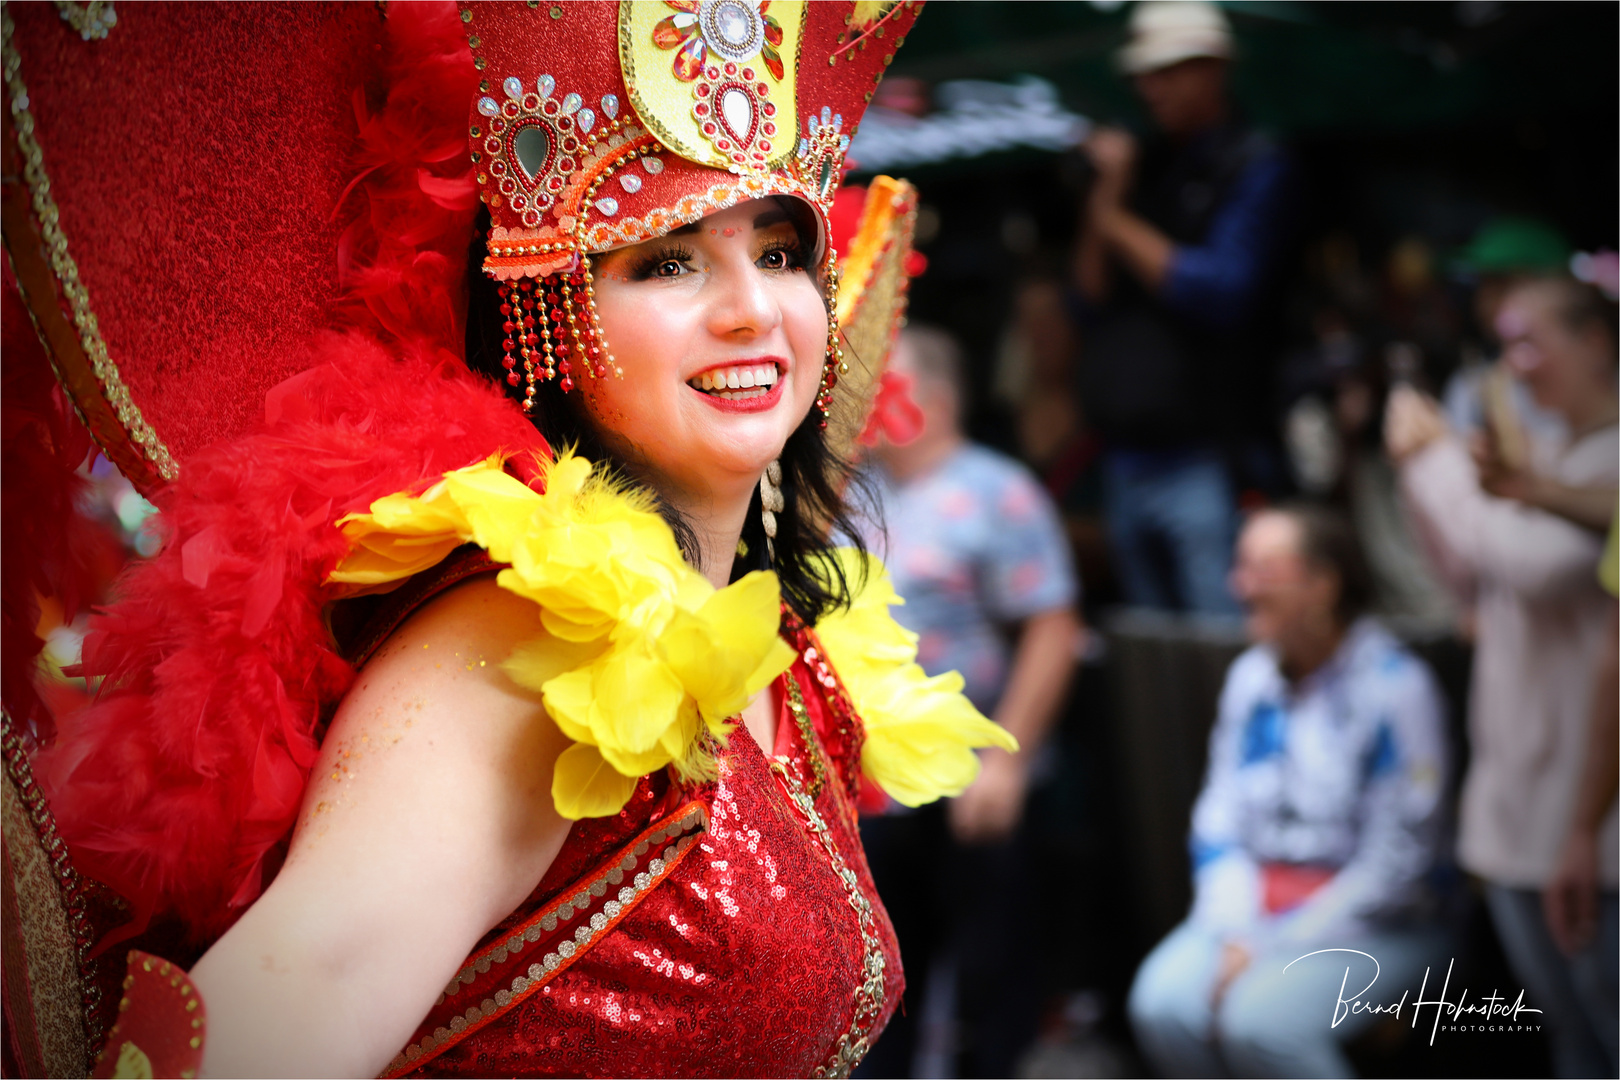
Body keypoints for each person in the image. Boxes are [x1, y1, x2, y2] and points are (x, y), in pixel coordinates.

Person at [6, 3, 1029, 1077]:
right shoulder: (517, 659)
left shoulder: (792, 657)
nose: (750, 312)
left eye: (779, 251)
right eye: (667, 262)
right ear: (546, 304)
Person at [1387, 276, 1619, 1078]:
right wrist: (1436, 474)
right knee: (1570, 1040)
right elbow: (1468, 579)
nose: (1513, 367)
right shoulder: (1537, 466)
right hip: (1520, 810)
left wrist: (1435, 463)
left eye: (1529, 342)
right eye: (1502, 348)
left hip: (1596, 820)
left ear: (1596, 341)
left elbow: (1524, 561)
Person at [1128, 505, 1449, 1078]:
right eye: (1240, 566)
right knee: (1162, 1007)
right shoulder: (1250, 680)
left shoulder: (1397, 690)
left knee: (1262, 1026)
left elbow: (1398, 867)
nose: (1239, 585)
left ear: (1323, 585)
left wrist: (1270, 945)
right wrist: (1236, 929)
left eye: (1264, 569)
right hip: (1252, 912)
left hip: (1380, 923)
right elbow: (1217, 822)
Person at [853, 325, 1083, 1077]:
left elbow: (1053, 628)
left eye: (889, 381)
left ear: (939, 398)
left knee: (991, 973)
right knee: (882, 980)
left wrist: (1005, 762)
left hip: (971, 774)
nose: (869, 395)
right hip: (872, 785)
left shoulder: (998, 490)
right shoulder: (851, 491)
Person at [1071, 0, 1295, 614]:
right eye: (1143, 73)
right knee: (1154, 657)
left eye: (1167, 70)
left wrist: (1115, 220)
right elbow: (1087, 299)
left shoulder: (1254, 161)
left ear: (1214, 68)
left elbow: (1219, 291)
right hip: (1124, 457)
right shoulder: (1146, 160)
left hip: (1206, 456)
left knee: (1216, 641)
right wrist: (1108, 193)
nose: (1149, 87)